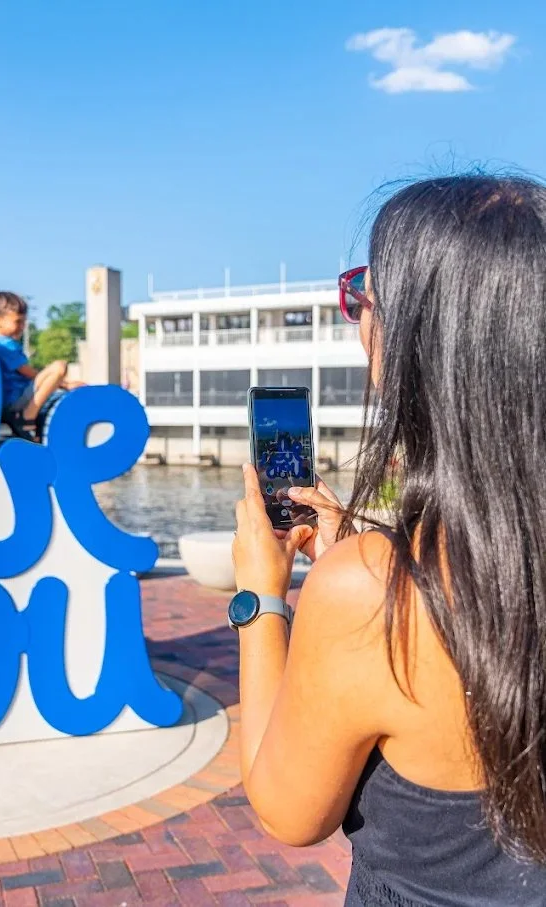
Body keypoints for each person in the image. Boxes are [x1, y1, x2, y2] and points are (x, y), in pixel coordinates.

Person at [230, 174, 546, 905]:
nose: (356, 319)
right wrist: (367, 545)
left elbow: (287, 809)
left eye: (363, 295)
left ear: (418, 338)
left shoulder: (367, 592)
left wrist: (260, 596)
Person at [0, 291, 82, 430]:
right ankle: (28, 416)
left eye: (24, 322)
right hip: (16, 397)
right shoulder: (6, 345)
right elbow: (28, 372)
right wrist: (64, 384)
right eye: (18, 321)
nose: (22, 326)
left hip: (9, 398)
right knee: (59, 367)